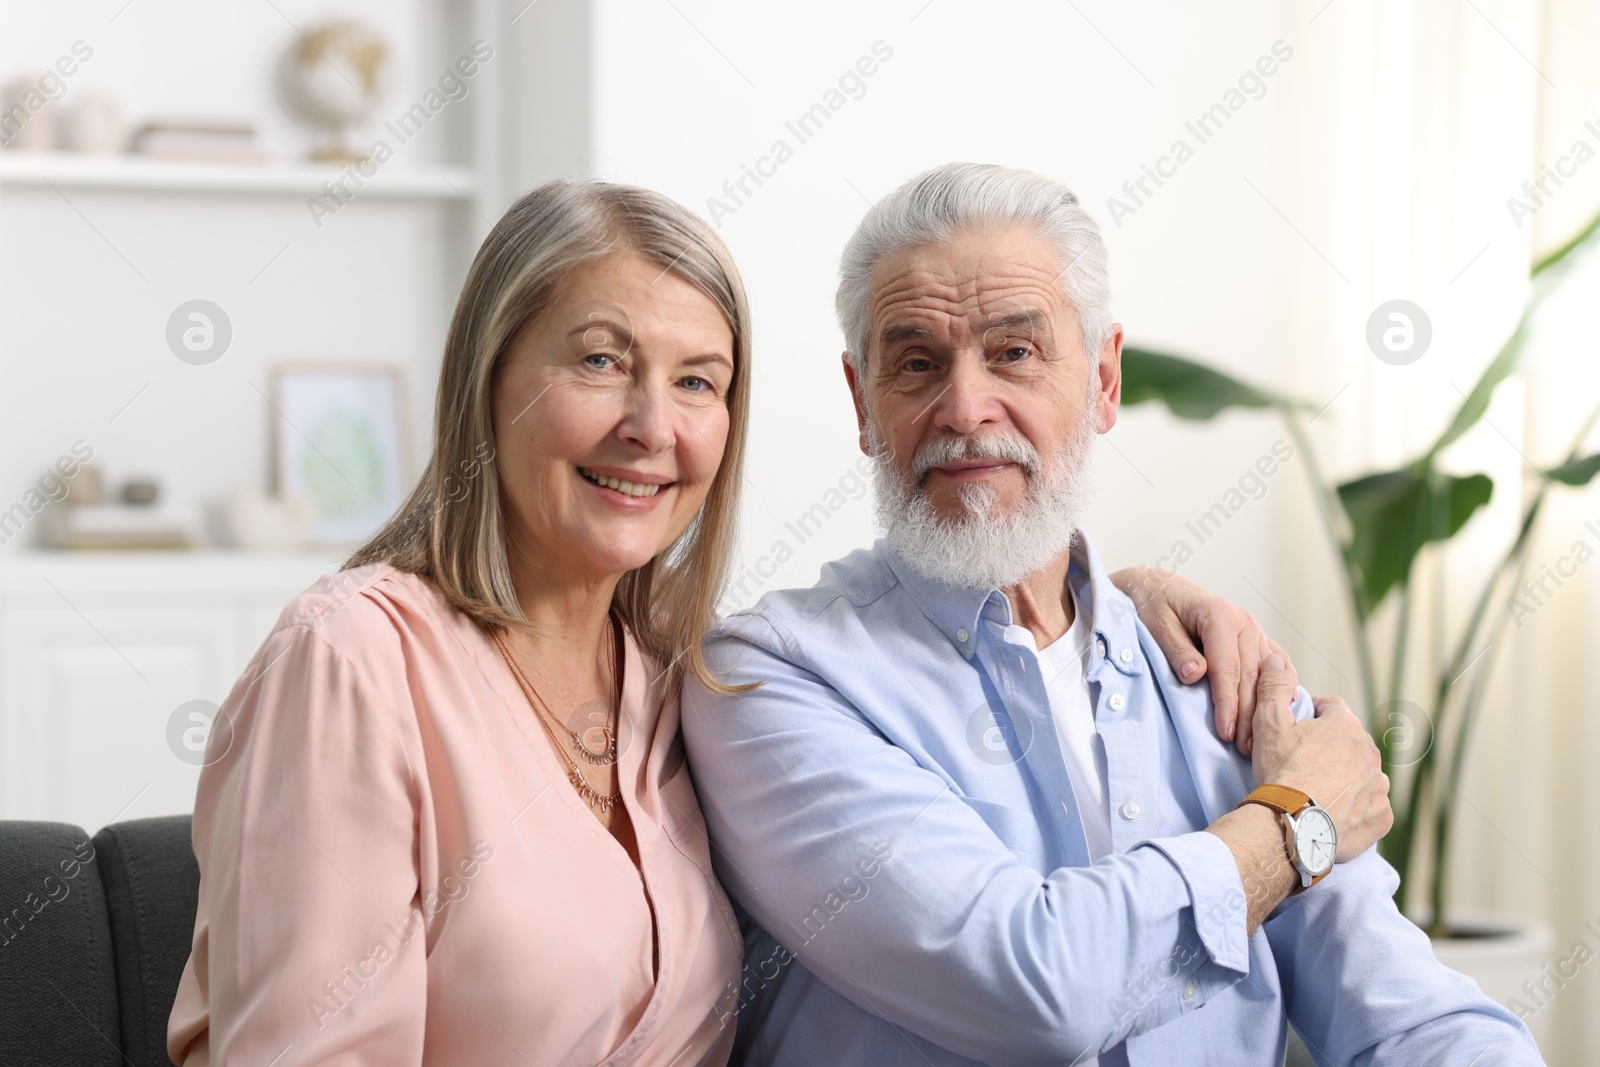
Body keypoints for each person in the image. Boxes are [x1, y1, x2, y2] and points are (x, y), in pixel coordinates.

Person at [166, 177, 1281, 1066]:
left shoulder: (678, 687)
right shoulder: (356, 657)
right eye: (601, 360)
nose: (653, 426)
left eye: (698, 382)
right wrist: (1294, 824)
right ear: (486, 379)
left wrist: (1115, 598)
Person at [679, 163, 1548, 1066]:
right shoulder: (766, 678)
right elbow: (1030, 992)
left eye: (1014, 352)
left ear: (1102, 381)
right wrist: (1294, 828)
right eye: (917, 363)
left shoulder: (1227, 677)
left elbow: (1410, 1018)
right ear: (864, 404)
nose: (967, 408)